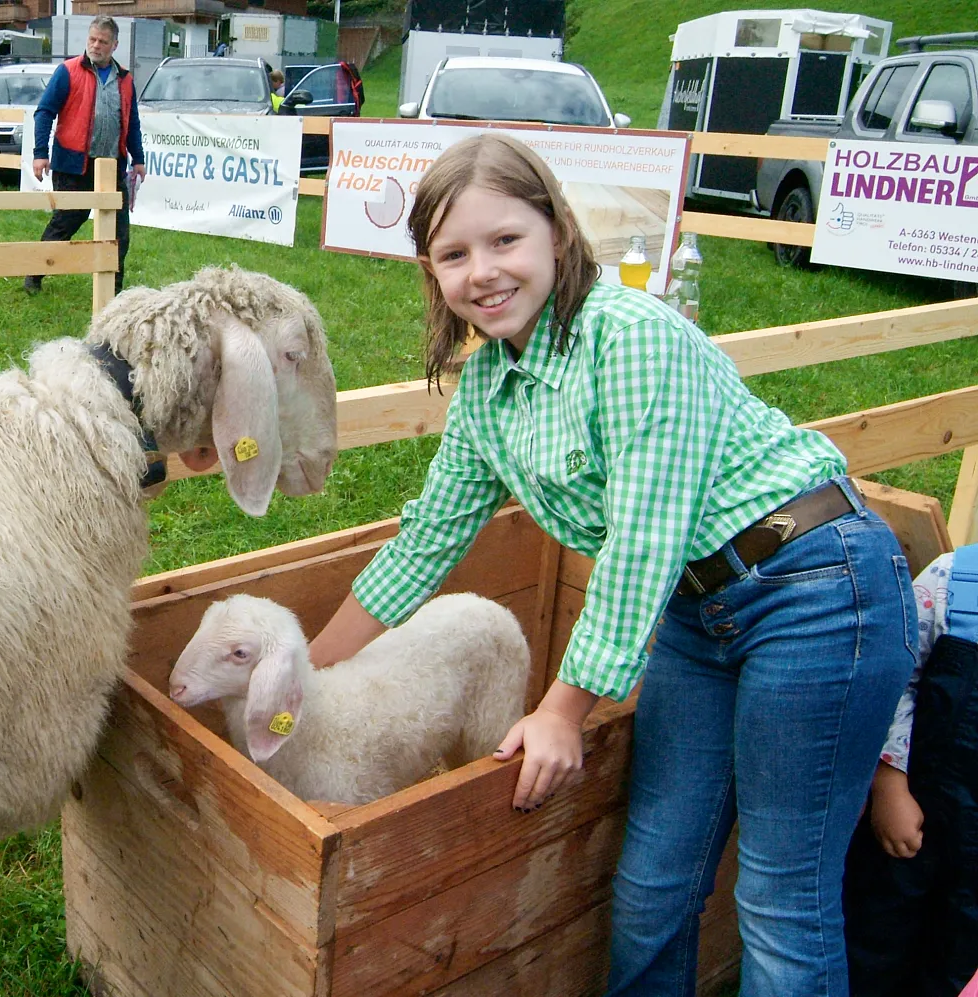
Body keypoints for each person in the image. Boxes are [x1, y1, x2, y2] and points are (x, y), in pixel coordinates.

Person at [304, 133, 917, 996]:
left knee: (780, 896)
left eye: (505, 239)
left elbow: (643, 540)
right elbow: (424, 544)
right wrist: (304, 675)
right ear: (430, 272)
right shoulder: (489, 391)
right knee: (653, 881)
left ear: (557, 231)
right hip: (695, 612)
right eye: (454, 254)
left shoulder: (627, 336)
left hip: (815, 587)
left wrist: (562, 710)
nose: (483, 271)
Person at [843, 544, 978, 997]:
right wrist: (889, 784)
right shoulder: (953, 579)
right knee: (875, 940)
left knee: (958, 960)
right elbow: (897, 680)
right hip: (913, 821)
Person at [24, 15, 145, 297]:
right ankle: (34, 274)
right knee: (66, 222)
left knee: (119, 234)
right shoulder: (67, 71)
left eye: (103, 41)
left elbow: (132, 123)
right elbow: (44, 112)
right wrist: (40, 153)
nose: (96, 45)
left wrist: (138, 159)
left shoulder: (125, 79)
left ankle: (113, 292)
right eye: (92, 39)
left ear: (115, 45)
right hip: (73, 165)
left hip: (112, 166)